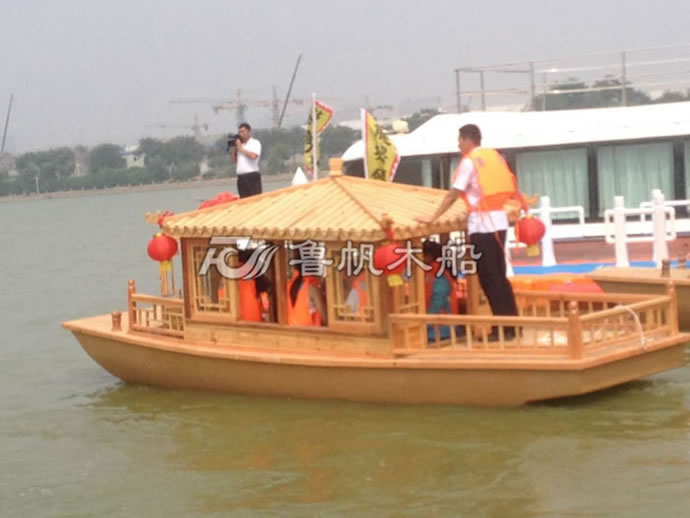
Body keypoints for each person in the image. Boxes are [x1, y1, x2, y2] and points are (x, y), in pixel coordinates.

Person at [416, 124, 524, 340]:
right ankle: (513, 326)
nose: (458, 145)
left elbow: (453, 194)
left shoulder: (470, 162)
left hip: (484, 227)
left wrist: (432, 218)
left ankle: (504, 330)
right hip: (499, 222)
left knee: (490, 279)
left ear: (468, 139)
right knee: (499, 278)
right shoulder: (494, 156)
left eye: (459, 140)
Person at [422, 240, 461, 342]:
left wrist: (424, 320)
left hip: (442, 326)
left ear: (430, 256)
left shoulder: (440, 276)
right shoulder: (430, 271)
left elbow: (438, 303)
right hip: (433, 323)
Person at [230, 122, 262, 198]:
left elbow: (254, 156)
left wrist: (241, 149)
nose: (241, 134)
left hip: (252, 176)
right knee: (244, 199)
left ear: (248, 131)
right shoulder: (239, 145)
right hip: (241, 178)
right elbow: (233, 161)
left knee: (255, 198)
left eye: (243, 131)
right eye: (239, 132)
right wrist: (234, 148)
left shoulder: (255, 143)